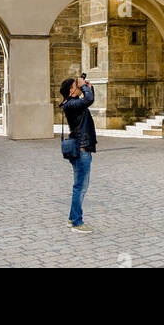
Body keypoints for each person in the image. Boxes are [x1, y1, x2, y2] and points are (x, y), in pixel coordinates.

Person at [60, 74, 96, 231]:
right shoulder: (70, 104)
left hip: (82, 150)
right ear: (71, 90)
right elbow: (88, 100)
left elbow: (88, 101)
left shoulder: (73, 103)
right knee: (80, 187)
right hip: (81, 151)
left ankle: (72, 218)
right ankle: (76, 222)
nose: (80, 86)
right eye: (77, 85)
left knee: (79, 186)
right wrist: (84, 87)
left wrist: (87, 87)